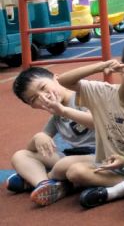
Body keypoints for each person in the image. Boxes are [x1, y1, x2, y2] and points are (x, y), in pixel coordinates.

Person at [55, 41, 124, 208]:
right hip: (108, 164)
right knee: (73, 172)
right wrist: (101, 66)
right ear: (122, 67)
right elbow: (63, 81)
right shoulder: (102, 92)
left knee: (75, 173)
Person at [7, 67, 96, 205]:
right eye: (34, 99)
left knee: (64, 165)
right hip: (75, 156)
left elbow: (96, 122)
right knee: (20, 156)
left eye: (43, 87)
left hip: (102, 154)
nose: (43, 96)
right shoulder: (55, 117)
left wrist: (64, 111)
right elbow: (32, 150)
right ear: (33, 106)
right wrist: (38, 137)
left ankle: (44, 180)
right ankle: (44, 184)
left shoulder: (81, 96)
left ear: (56, 79)